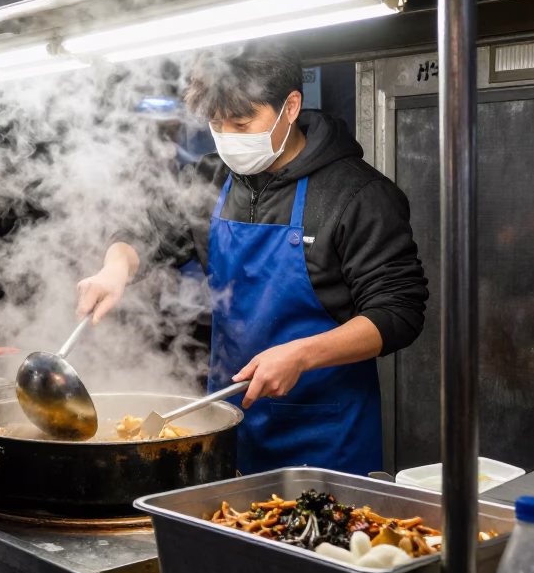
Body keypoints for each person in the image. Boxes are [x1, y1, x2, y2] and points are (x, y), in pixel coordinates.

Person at [77, 43, 428, 476]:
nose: (227, 137)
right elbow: (142, 233)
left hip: (325, 437)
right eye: (216, 124)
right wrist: (115, 271)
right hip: (227, 422)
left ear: (291, 106)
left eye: (242, 123)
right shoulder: (208, 178)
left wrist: (302, 355)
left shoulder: (357, 195)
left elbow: (399, 311)